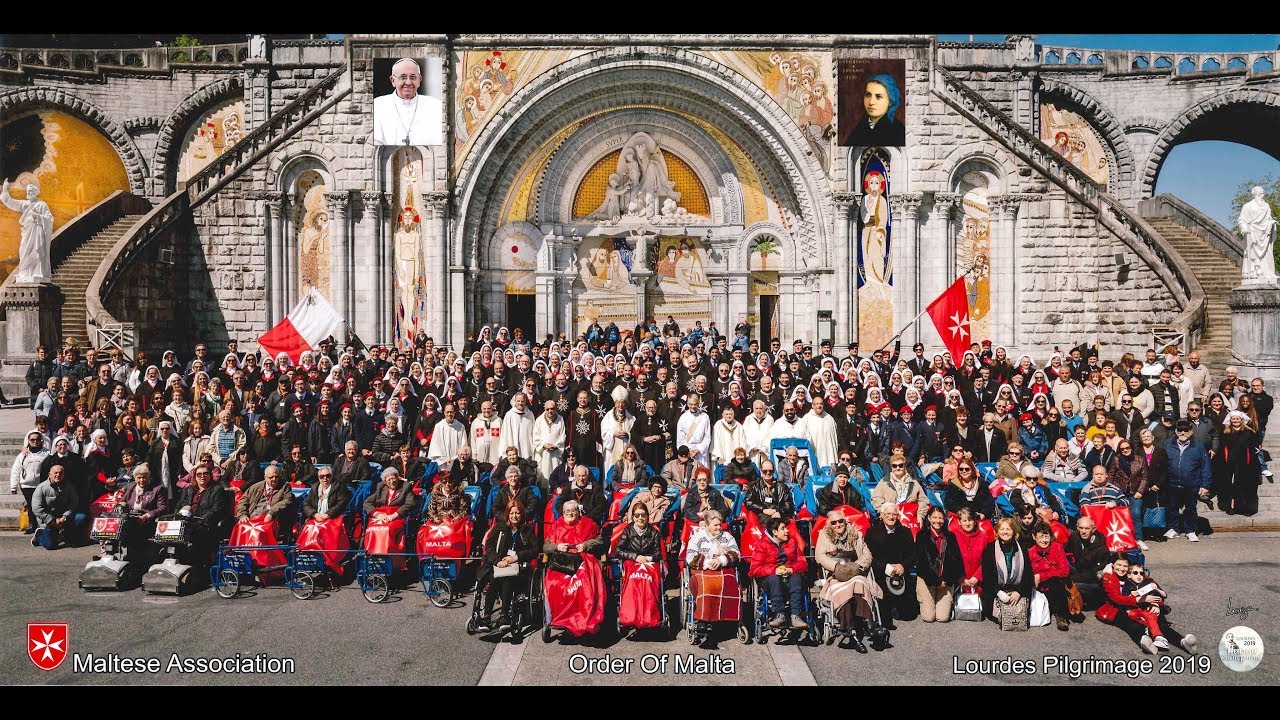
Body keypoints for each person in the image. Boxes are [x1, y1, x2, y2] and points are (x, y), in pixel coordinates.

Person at [814, 507, 886, 651]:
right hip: (836, 575)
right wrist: (835, 567)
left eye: (840, 521)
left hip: (855, 572)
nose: (838, 525)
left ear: (845, 521)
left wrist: (857, 566)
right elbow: (819, 556)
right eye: (834, 523)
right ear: (829, 524)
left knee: (859, 582)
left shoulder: (856, 535)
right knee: (842, 591)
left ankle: (869, 624)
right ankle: (851, 631)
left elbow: (867, 555)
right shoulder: (824, 535)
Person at [1097, 554, 1198, 655]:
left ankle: (1182, 642)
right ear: (1113, 565)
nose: (1122, 569)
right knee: (1132, 625)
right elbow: (1117, 599)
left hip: (1144, 605)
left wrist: (1156, 604)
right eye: (1119, 565)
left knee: (1161, 624)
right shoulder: (1109, 577)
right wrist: (1141, 599)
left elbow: (1157, 590)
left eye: (1125, 566)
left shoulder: (1137, 573)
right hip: (1119, 608)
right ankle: (1143, 640)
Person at [542, 500, 606, 638]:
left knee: (584, 585)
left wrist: (586, 545)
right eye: (567, 511)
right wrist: (557, 547)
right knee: (557, 585)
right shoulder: (556, 526)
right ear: (563, 513)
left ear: (579, 512)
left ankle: (584, 620)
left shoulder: (588, 523)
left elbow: (600, 541)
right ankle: (562, 619)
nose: (570, 513)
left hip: (583, 560)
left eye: (573, 510)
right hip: (561, 562)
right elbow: (546, 547)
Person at [479, 501, 538, 634]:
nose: (514, 516)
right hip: (499, 564)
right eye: (511, 513)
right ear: (507, 514)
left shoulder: (527, 529)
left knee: (507, 580)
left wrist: (516, 557)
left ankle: (504, 615)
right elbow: (489, 547)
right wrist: (497, 561)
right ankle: (486, 616)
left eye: (517, 513)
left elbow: (534, 550)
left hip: (518, 566)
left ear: (522, 514)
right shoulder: (499, 527)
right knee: (494, 579)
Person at [685, 509, 742, 646]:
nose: (719, 527)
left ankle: (722, 619)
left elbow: (736, 554)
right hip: (703, 570)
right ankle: (703, 621)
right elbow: (690, 556)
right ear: (707, 525)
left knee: (728, 584)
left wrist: (722, 560)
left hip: (723, 569)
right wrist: (706, 563)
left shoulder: (727, 537)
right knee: (706, 585)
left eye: (720, 524)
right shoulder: (697, 537)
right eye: (715, 525)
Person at [613, 501, 666, 634]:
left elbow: (658, 553)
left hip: (649, 563)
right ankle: (631, 616)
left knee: (648, 583)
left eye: (643, 515)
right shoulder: (628, 531)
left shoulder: (654, 532)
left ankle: (649, 616)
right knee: (634, 582)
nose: (640, 518)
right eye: (637, 516)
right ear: (633, 517)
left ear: (648, 516)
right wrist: (635, 557)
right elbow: (618, 550)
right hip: (632, 562)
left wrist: (648, 558)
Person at [749, 516, 810, 630]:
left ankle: (795, 615)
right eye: (783, 528)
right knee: (774, 578)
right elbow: (755, 569)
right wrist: (774, 570)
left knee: (797, 578)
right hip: (769, 581)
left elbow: (803, 563)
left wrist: (791, 569)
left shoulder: (792, 542)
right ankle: (779, 614)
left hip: (789, 577)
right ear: (775, 532)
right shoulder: (761, 544)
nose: (787, 531)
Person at [865, 501, 918, 624]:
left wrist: (903, 566)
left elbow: (912, 555)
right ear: (882, 515)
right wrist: (885, 567)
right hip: (881, 574)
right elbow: (869, 557)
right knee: (884, 617)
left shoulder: (905, 532)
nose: (891, 517)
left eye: (894, 514)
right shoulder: (872, 533)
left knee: (909, 615)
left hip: (901, 575)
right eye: (888, 513)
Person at [373, 58, 443, 146]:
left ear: (419, 80)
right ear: (393, 80)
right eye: (403, 77)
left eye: (413, 77)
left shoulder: (436, 106)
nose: (408, 82)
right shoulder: (377, 106)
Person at [1163, 419, 1211, 542]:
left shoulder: (1198, 446)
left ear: (1191, 432)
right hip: (1172, 483)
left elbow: (1205, 466)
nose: (1183, 432)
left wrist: (1205, 485)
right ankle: (1173, 528)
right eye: (1180, 430)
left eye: (1186, 430)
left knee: (1191, 508)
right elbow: (1161, 463)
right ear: (1175, 431)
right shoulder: (1167, 444)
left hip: (1191, 484)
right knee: (1172, 507)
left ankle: (1190, 530)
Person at [914, 505, 963, 623]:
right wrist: (934, 581)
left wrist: (945, 580)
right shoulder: (922, 536)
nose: (938, 521)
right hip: (927, 579)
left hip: (945, 581)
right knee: (929, 617)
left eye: (941, 518)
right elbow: (920, 562)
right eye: (934, 517)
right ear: (929, 518)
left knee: (942, 617)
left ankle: (943, 602)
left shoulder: (950, 537)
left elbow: (956, 560)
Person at [980, 517, 1034, 624]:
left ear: (1014, 531)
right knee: (993, 613)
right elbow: (986, 576)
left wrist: (1019, 592)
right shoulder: (990, 548)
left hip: (1016, 588)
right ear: (997, 531)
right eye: (1002, 529)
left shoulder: (1022, 548)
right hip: (997, 589)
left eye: (1008, 529)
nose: (1005, 532)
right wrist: (998, 592)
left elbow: (1028, 574)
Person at [177, 464, 233, 565]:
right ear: (195, 477)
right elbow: (178, 507)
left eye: (205, 473)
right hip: (185, 524)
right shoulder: (188, 490)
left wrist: (198, 521)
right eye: (199, 474)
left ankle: (196, 569)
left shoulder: (217, 489)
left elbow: (216, 510)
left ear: (210, 475)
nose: (202, 476)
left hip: (205, 525)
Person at [115, 463, 170, 562]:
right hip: (130, 518)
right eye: (139, 477)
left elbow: (163, 507)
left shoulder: (158, 489)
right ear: (135, 478)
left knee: (128, 527)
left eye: (144, 477)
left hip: (148, 521)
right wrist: (121, 506)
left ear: (149, 477)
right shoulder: (131, 487)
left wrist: (148, 515)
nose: (141, 480)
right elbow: (122, 502)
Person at [840, 72, 905, 147]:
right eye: (868, 95)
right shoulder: (860, 127)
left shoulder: (898, 132)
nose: (871, 102)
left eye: (878, 97)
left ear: (890, 101)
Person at [31, 464, 88, 549]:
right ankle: (39, 535)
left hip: (63, 518)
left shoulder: (69, 486)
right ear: (49, 475)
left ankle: (66, 535)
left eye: (61, 473)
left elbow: (74, 503)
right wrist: (51, 520)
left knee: (81, 517)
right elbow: (37, 508)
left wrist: (64, 517)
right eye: (55, 473)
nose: (58, 475)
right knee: (51, 546)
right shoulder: (41, 487)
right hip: (48, 520)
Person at [1028, 521, 1072, 631]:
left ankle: (1061, 616)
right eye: (1040, 536)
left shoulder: (1057, 547)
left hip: (1055, 586)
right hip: (1038, 587)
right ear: (1034, 537)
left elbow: (1064, 571)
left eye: (1046, 536)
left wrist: (1042, 575)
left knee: (1057, 581)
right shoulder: (1030, 552)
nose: (1044, 540)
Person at [1219, 410, 1261, 516]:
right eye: (1233, 419)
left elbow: (1254, 447)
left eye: (1237, 419)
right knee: (1231, 486)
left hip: (1246, 463)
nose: (1235, 421)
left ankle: (1246, 508)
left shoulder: (1249, 432)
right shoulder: (1226, 433)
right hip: (1231, 463)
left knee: (1246, 486)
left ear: (1241, 420)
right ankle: (1232, 507)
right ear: (1230, 420)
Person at [235, 464, 297, 536]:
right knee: (240, 527)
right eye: (271, 477)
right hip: (253, 517)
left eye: (276, 477)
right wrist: (243, 515)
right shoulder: (255, 487)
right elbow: (243, 501)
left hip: (272, 517)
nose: (274, 479)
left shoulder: (285, 486)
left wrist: (271, 512)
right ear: (265, 477)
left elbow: (287, 500)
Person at [10, 431, 50, 535]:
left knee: (41, 505)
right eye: (32, 440)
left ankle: (44, 524)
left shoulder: (47, 453)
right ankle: (32, 524)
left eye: (37, 439)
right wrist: (13, 486)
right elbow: (16, 470)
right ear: (28, 441)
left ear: (41, 441)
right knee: (31, 505)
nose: (35, 442)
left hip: (41, 484)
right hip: (26, 485)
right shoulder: (23, 454)